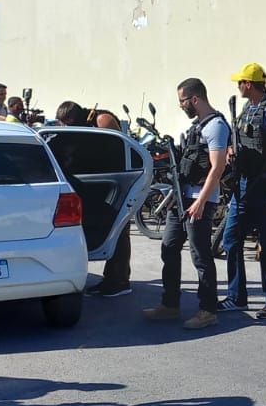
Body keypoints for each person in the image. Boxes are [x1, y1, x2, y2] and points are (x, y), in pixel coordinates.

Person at [144, 78, 230, 328]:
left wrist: (202, 201)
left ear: (195, 99)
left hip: (199, 200)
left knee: (200, 255)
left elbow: (218, 168)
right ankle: (170, 304)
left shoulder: (215, 127)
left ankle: (207, 310)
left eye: (182, 100)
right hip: (182, 198)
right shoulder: (196, 127)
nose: (181, 105)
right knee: (169, 247)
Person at [219, 62, 266, 319]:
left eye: (240, 82)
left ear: (248, 84)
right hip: (244, 184)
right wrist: (232, 152)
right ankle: (236, 296)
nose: (238, 86)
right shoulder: (245, 109)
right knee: (231, 239)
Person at [88, 106, 133, 297]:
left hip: (118, 182)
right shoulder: (93, 122)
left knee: (119, 233)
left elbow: (110, 148)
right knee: (116, 234)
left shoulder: (102, 120)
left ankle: (119, 281)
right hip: (112, 182)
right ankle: (112, 278)